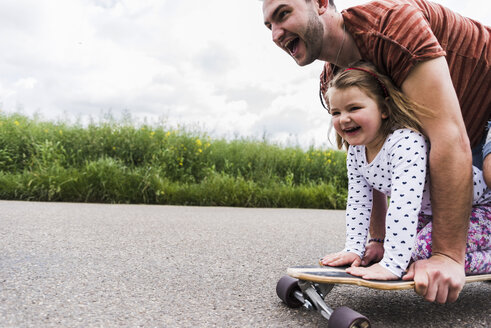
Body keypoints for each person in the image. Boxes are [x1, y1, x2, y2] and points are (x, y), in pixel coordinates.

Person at [262, 0, 490, 303]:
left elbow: (448, 135)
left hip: (474, 123)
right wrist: (378, 241)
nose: (276, 33)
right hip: (468, 131)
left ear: (319, 3)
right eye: (269, 26)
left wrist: (446, 255)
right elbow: (368, 165)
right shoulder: (333, 80)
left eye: (283, 14)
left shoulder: (393, 27)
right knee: (412, 239)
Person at [318, 62, 491, 280]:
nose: (343, 118)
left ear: (384, 109)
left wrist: (391, 265)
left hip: (480, 208)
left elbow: (404, 204)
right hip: (432, 213)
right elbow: (359, 202)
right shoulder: (356, 152)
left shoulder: (405, 142)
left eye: (354, 108)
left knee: (419, 253)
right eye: (336, 112)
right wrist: (353, 248)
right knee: (401, 247)